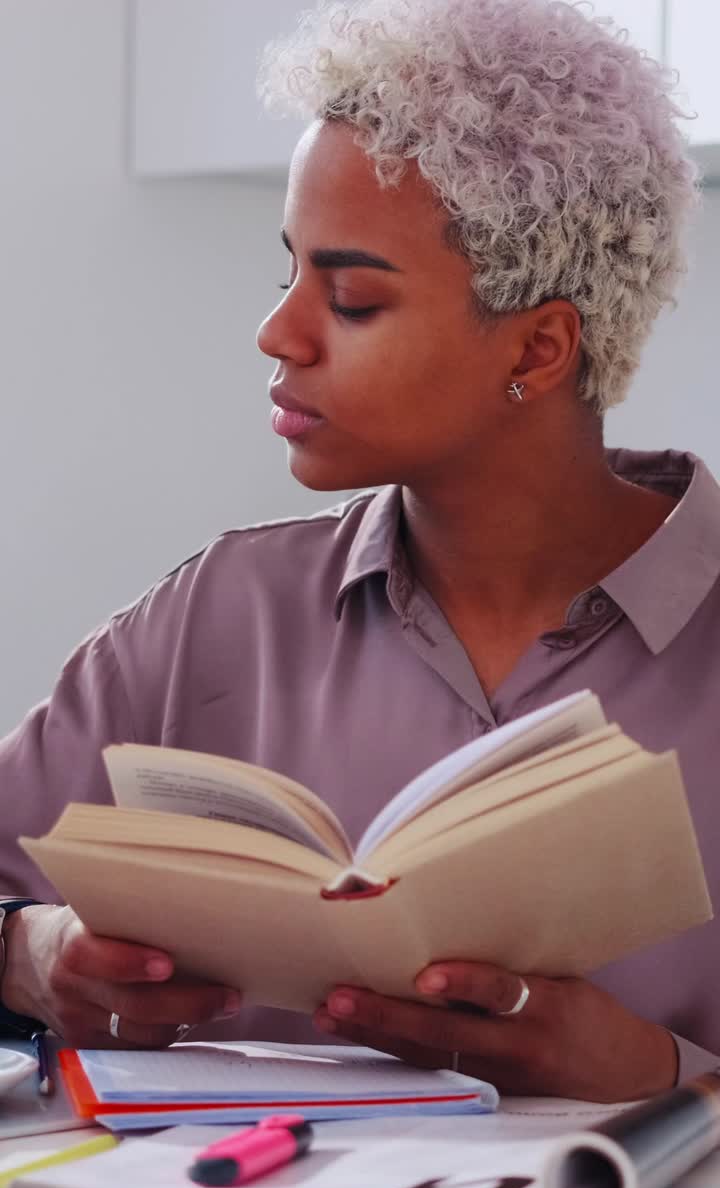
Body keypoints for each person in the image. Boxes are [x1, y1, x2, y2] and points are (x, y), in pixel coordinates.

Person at [0, 0, 717, 1101]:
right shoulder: (216, 617)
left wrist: (664, 1072)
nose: (279, 333)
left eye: (351, 297)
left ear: (539, 344)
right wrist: (34, 958)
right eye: (287, 273)